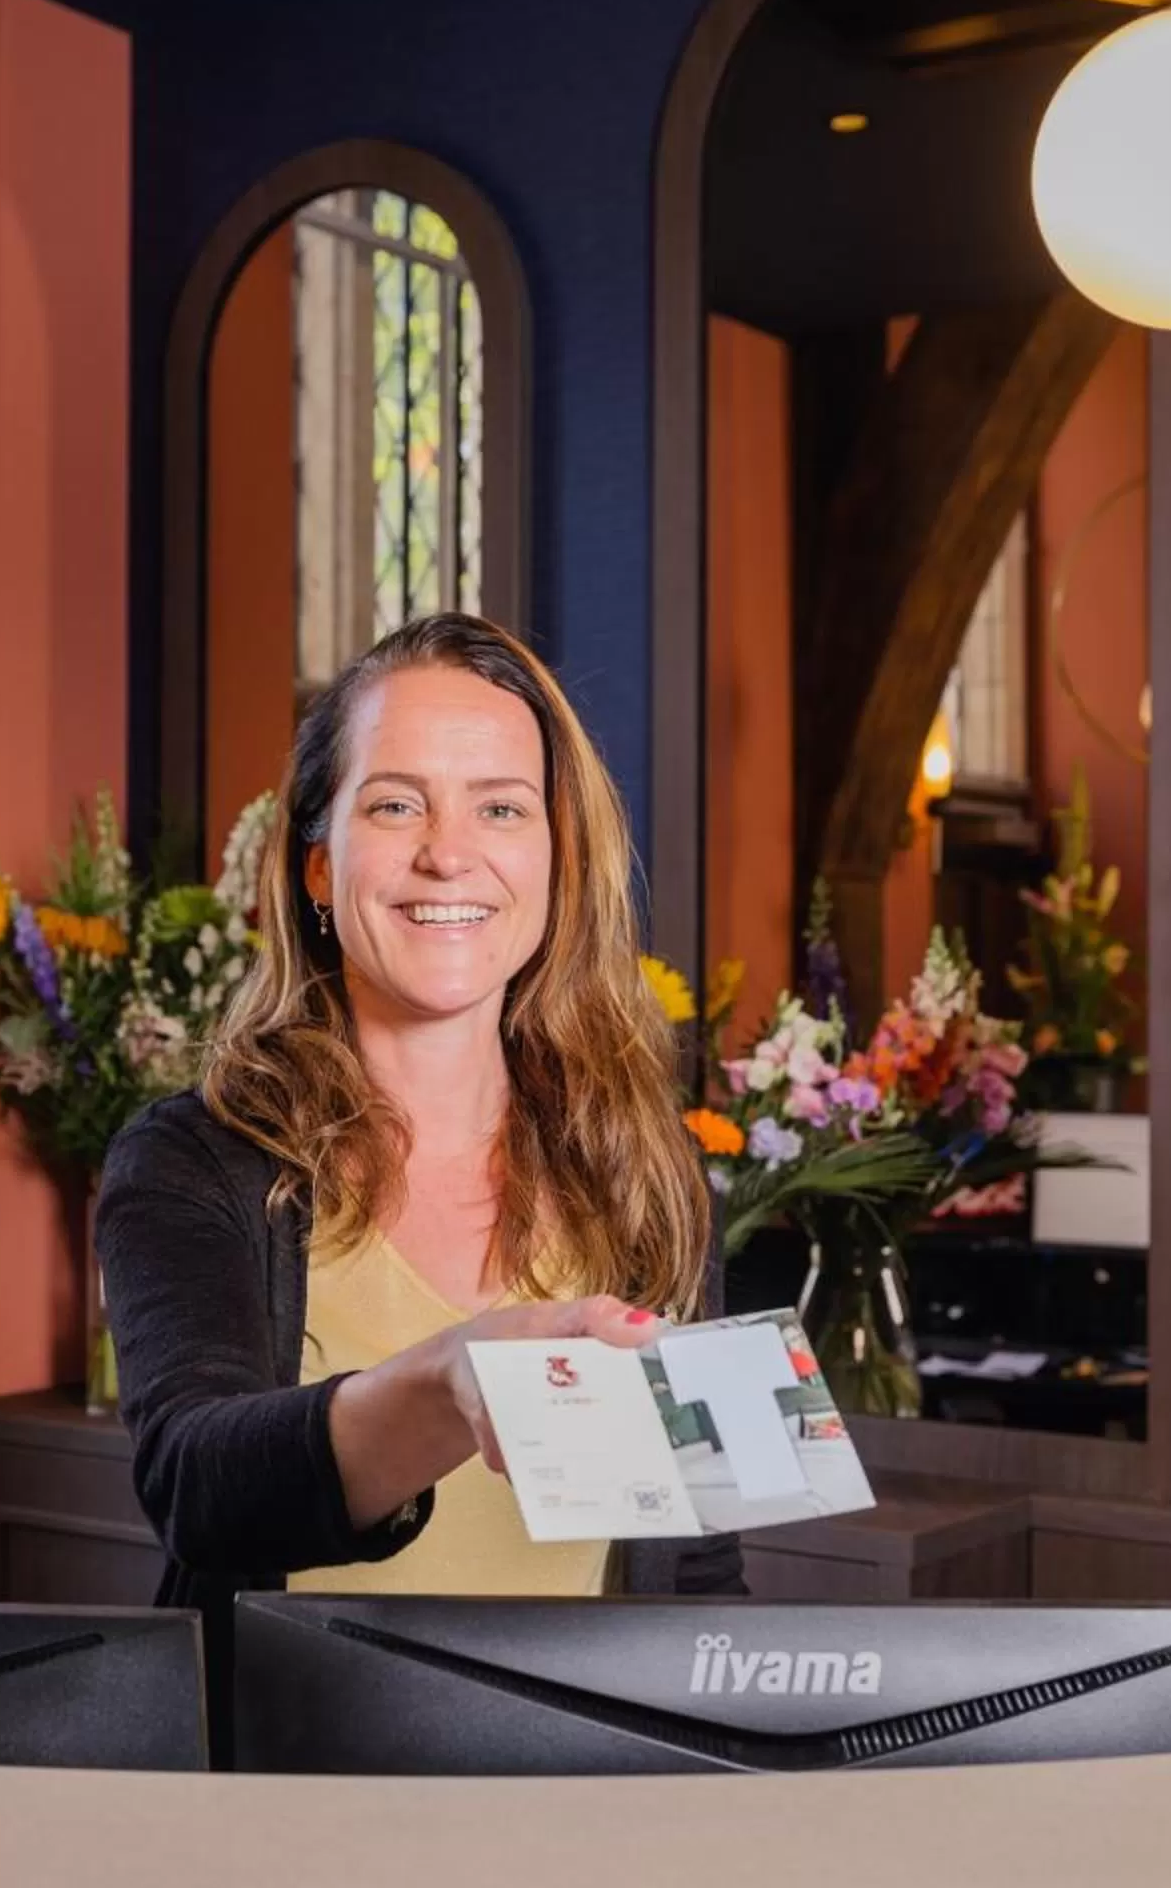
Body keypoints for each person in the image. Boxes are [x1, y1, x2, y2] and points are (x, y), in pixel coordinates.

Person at [99, 615, 744, 1635]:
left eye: (501, 807)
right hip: (280, 1778)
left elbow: (698, 1567)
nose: (450, 855)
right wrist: (449, 1382)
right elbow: (200, 1488)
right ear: (317, 865)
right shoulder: (193, 1159)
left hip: (576, 1779)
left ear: (556, 860)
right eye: (397, 804)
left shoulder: (642, 1171)